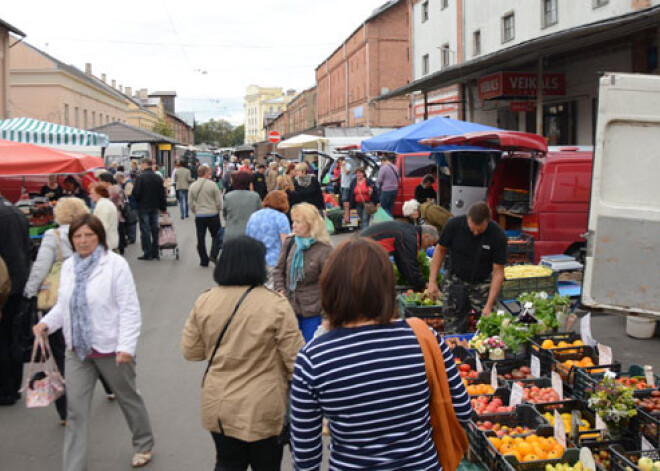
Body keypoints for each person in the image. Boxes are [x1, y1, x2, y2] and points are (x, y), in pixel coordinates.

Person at [289, 237, 472, 470]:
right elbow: (463, 411)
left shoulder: (313, 358)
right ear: (387, 287)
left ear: (329, 287)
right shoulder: (423, 337)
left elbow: (306, 457)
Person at [32, 214, 155, 469]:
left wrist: (125, 347)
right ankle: (73, 466)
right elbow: (65, 304)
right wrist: (47, 323)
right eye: (77, 236)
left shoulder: (115, 265)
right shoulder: (69, 266)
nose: (83, 241)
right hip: (77, 349)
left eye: (89, 235)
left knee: (128, 398)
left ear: (99, 236)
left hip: (111, 349)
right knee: (75, 411)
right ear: (71, 239)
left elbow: (129, 309)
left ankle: (143, 443)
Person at [181, 236, 304, 471]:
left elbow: (191, 351)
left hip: (219, 403)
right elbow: (296, 361)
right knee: (267, 465)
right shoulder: (276, 305)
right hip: (265, 403)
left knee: (227, 462)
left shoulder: (205, 300)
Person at [22, 198, 115, 423]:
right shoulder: (92, 233)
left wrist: (28, 293)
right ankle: (111, 386)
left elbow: (40, 267)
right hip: (88, 299)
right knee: (93, 346)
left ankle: (66, 411)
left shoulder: (52, 237)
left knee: (62, 356)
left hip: (57, 300)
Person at [429, 201, 507, 318]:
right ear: (468, 218)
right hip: (455, 280)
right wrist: (432, 281)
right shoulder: (454, 225)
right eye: (472, 229)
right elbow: (440, 250)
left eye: (480, 231)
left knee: (488, 324)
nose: (475, 233)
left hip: (482, 283)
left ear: (488, 221)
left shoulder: (498, 236)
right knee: (452, 323)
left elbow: (499, 272)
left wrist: (489, 304)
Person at [273, 203, 332, 342]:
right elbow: (278, 271)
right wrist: (280, 289)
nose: (293, 225)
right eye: (293, 221)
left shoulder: (324, 249)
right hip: (289, 310)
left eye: (298, 222)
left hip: (313, 313)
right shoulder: (290, 242)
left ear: (310, 224)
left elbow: (331, 287)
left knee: (310, 351)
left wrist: (327, 318)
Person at [0, 194, 30, 406]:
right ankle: (14, 387)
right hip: (19, 283)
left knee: (3, 338)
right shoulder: (17, 212)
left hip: (4, 286)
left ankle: (5, 390)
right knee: (13, 335)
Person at [361, 221, 439, 292]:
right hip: (362, 251)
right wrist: (423, 285)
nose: (427, 248)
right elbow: (409, 265)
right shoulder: (410, 238)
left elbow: (401, 260)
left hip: (363, 248)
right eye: (429, 244)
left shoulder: (409, 231)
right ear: (425, 236)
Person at [245, 190, 291, 288]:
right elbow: (285, 243)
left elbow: (248, 239)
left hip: (255, 260)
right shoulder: (281, 218)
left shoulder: (254, 216)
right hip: (274, 261)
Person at [132, 158, 166, 261]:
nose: (140, 166)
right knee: (155, 229)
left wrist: (138, 202)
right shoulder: (158, 177)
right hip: (154, 206)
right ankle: (156, 251)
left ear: (144, 164)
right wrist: (163, 207)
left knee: (145, 229)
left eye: (141, 164)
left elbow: (136, 193)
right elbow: (162, 194)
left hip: (143, 206)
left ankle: (147, 252)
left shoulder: (140, 178)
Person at [189, 166, 223, 267]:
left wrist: (195, 211)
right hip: (213, 214)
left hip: (200, 215)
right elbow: (218, 201)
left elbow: (190, 203)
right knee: (216, 236)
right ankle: (213, 254)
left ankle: (203, 260)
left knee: (200, 237)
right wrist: (218, 209)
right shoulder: (212, 185)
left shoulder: (193, 186)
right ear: (206, 173)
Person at [223, 171, 261, 243]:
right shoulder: (255, 196)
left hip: (232, 233)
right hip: (251, 233)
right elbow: (260, 214)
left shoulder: (228, 196)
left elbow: (225, 215)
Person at [90, 183, 119, 252]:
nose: (90, 196)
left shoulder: (102, 205)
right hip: (109, 242)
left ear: (99, 194)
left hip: (107, 244)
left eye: (92, 193)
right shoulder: (106, 203)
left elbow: (102, 226)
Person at [116, 172, 137, 245]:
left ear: (120, 179)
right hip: (127, 205)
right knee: (128, 221)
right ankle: (129, 237)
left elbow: (128, 194)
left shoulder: (128, 183)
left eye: (117, 180)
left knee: (131, 221)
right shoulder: (124, 183)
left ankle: (132, 238)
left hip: (131, 205)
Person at [339, 157, 353, 224]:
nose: (340, 163)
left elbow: (347, 172)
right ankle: (345, 216)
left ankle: (347, 218)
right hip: (342, 185)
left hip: (347, 185)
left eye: (340, 162)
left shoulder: (348, 165)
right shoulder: (341, 166)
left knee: (345, 201)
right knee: (342, 201)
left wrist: (344, 166)